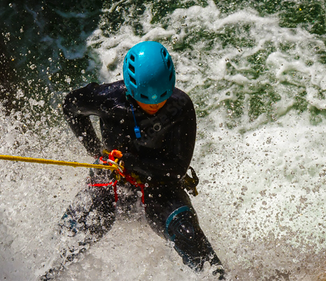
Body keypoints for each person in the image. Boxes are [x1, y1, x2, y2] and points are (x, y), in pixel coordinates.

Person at [41, 41, 225, 280]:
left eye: (161, 100)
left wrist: (131, 161)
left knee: (187, 233)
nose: (154, 106)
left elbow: (176, 170)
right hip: (113, 180)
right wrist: (96, 152)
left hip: (159, 186)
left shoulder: (181, 107)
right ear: (130, 89)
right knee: (74, 230)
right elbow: (70, 106)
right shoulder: (109, 100)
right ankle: (46, 273)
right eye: (146, 101)